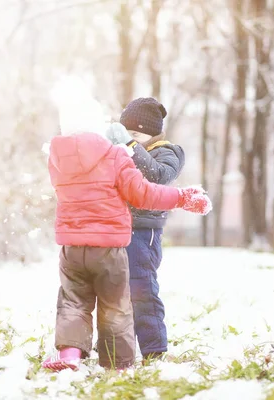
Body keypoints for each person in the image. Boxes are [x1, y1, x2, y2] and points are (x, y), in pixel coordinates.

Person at [43, 123, 211, 372]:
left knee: (73, 301)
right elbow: (143, 193)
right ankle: (117, 364)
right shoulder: (115, 155)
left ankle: (70, 355)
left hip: (72, 249)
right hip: (109, 249)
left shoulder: (59, 160)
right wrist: (181, 197)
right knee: (115, 306)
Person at [105, 97, 184, 363]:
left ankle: (154, 348)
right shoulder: (123, 150)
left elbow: (157, 176)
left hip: (143, 232)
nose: (130, 139)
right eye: (126, 133)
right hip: (115, 229)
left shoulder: (168, 152)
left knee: (142, 290)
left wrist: (128, 146)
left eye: (136, 134)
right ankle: (110, 347)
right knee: (112, 292)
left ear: (150, 133)